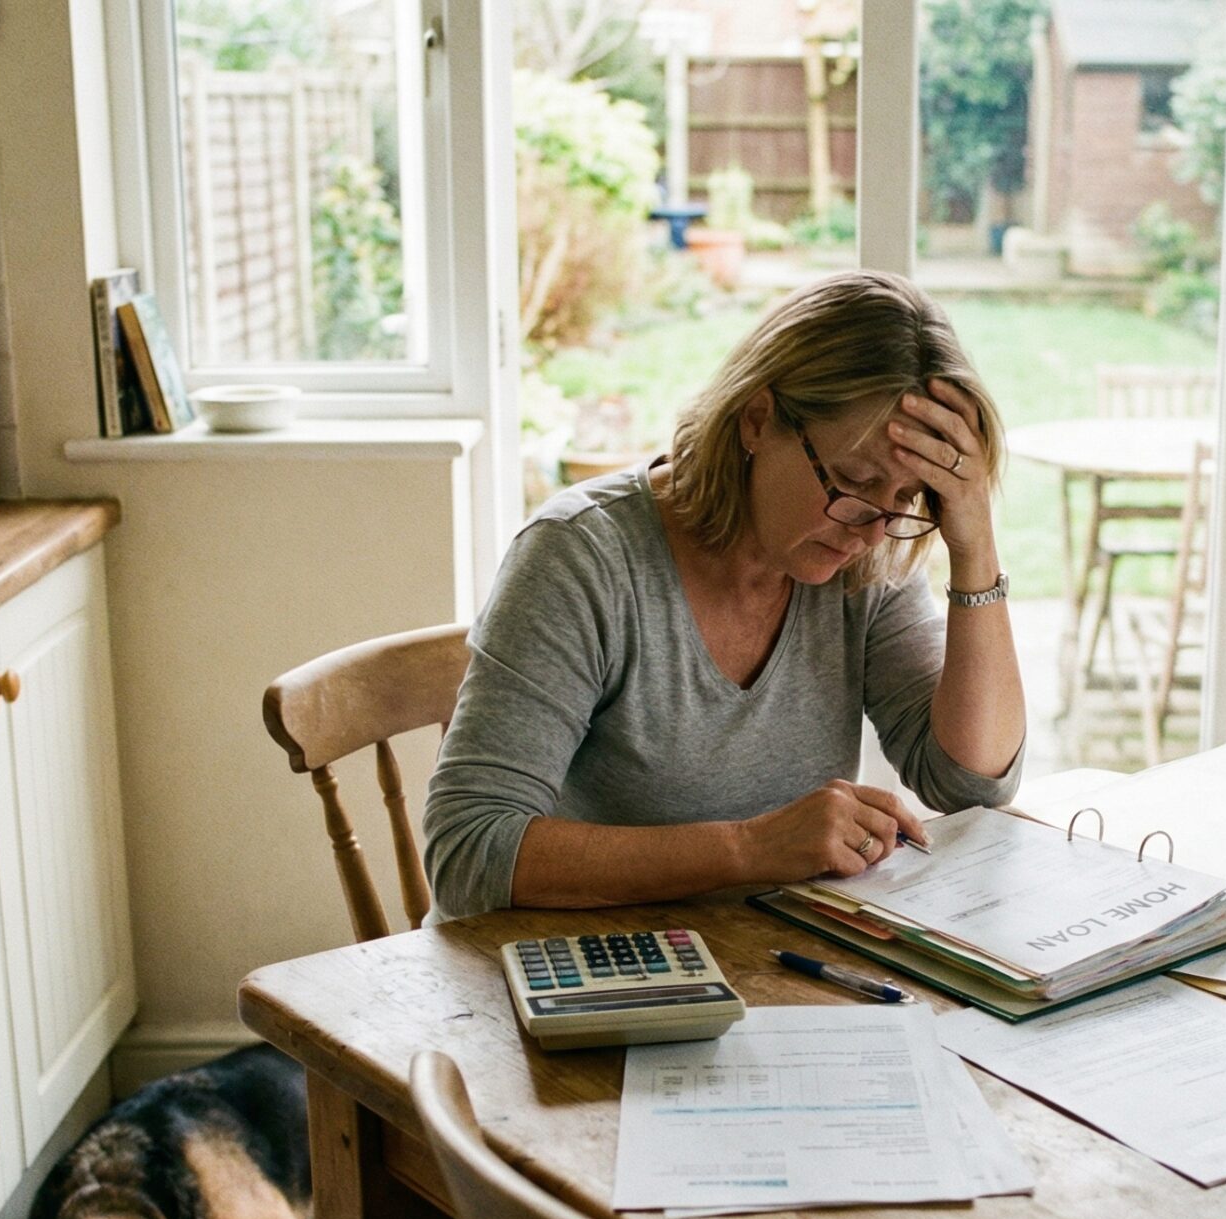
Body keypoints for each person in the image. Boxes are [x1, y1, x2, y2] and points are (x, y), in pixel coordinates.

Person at [425, 271, 1025, 918]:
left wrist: (975, 550)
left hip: (752, 963)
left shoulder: (865, 556)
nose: (876, 527)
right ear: (758, 419)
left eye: (906, 498)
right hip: (562, 977)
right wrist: (749, 847)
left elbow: (970, 781)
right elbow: (469, 849)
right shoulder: (581, 557)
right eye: (854, 478)